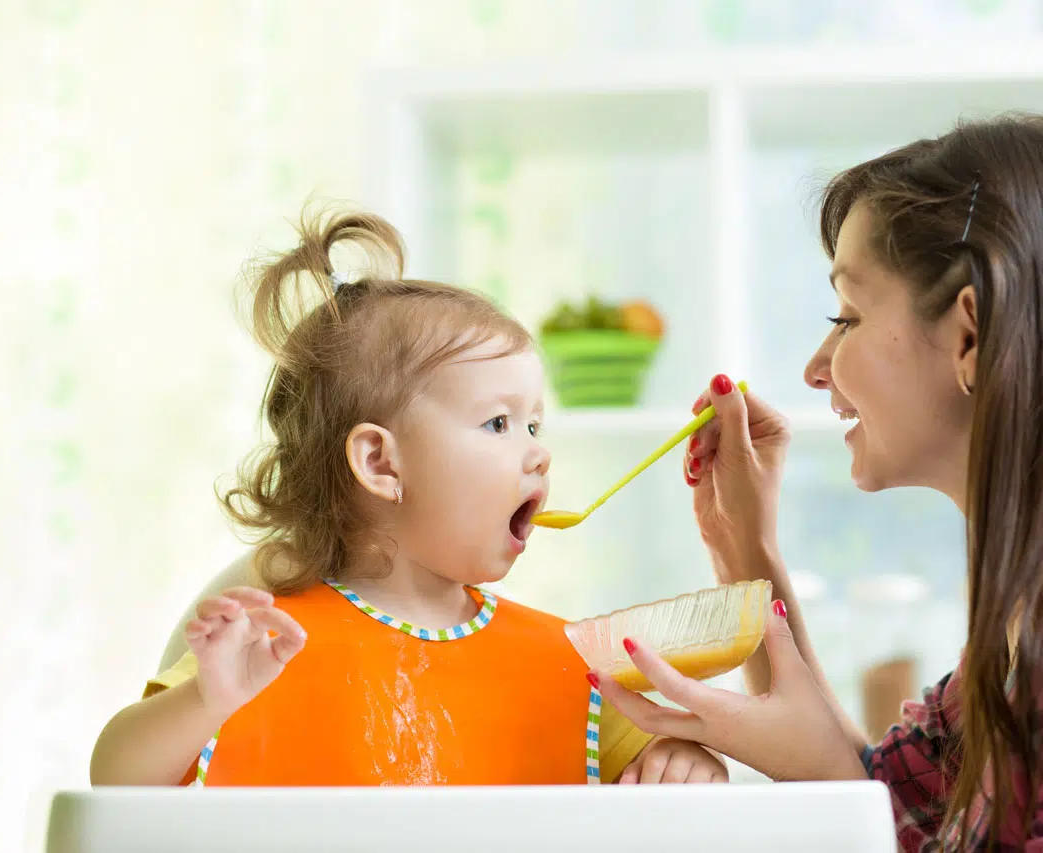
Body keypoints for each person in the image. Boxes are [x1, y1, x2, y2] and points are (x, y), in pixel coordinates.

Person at [594, 115, 1043, 848]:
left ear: (970, 336)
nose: (818, 367)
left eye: (846, 315)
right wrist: (742, 549)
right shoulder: (1032, 625)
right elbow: (881, 806)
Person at [90, 207, 726, 787]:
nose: (538, 451)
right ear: (379, 462)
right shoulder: (267, 643)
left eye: (535, 424)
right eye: (498, 424)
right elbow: (117, 780)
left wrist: (687, 762)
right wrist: (208, 699)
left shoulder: (567, 663)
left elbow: (664, 777)